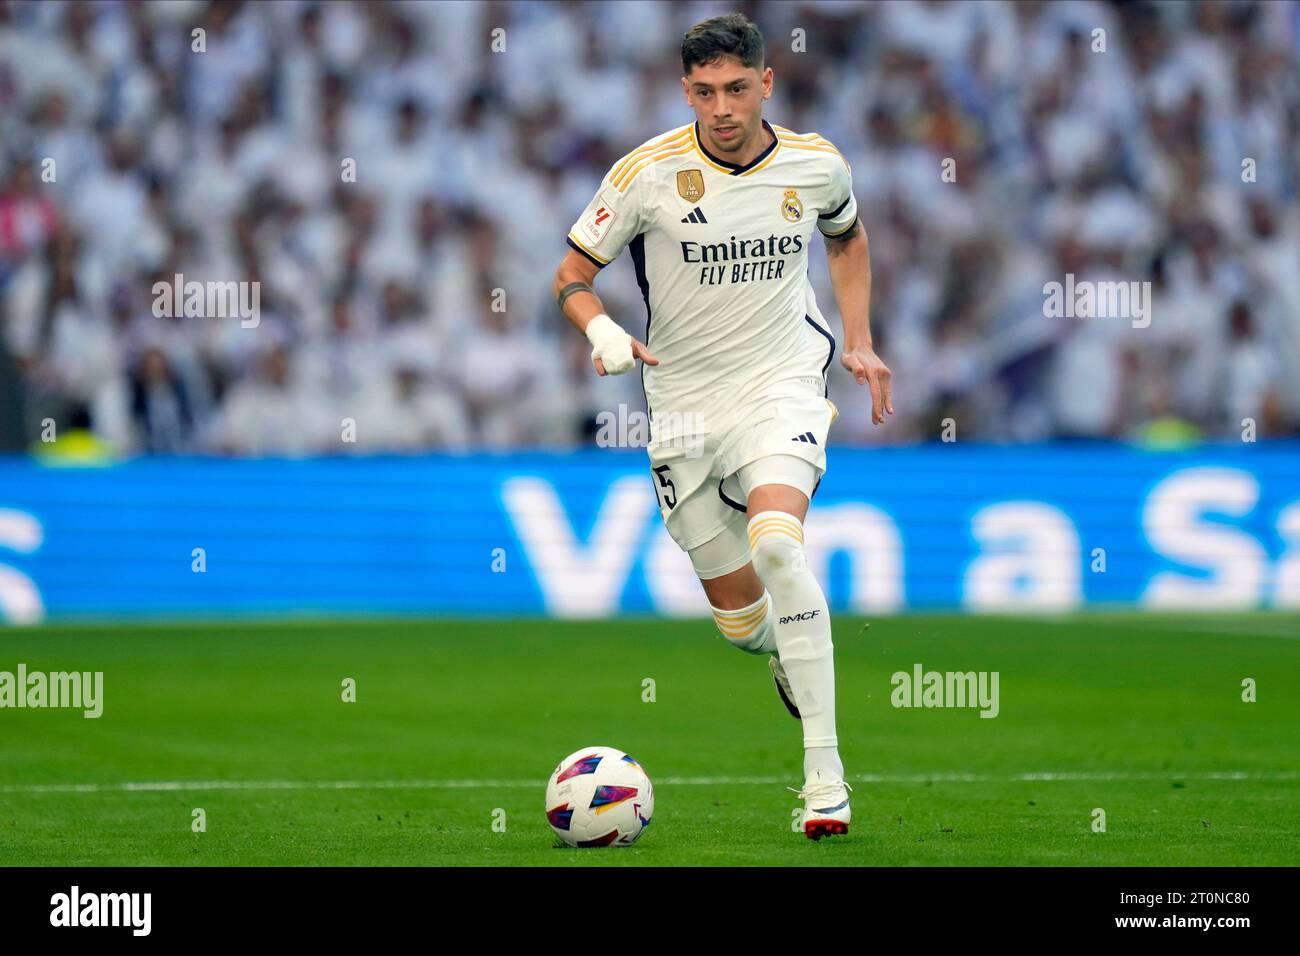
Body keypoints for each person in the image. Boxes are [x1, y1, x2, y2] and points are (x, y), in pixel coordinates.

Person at [552, 12, 893, 838]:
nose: (723, 107)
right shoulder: (646, 175)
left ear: (766, 83)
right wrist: (600, 330)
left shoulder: (815, 165)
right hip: (682, 409)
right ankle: (784, 647)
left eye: (737, 89)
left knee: (780, 543)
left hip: (780, 383)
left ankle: (825, 780)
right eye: (705, 92)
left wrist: (860, 340)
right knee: (740, 620)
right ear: (686, 92)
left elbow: (847, 239)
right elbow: (572, 274)